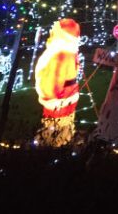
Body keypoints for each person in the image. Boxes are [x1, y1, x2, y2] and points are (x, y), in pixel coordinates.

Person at [34, 18, 81, 147]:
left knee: (55, 127)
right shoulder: (70, 53)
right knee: (63, 127)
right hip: (66, 98)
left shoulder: (60, 56)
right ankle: (61, 143)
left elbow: (52, 83)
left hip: (58, 101)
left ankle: (53, 147)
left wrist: (50, 97)